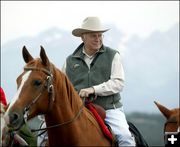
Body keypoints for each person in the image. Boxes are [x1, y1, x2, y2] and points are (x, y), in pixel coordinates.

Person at [62, 17, 136, 146]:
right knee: (45, 135)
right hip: (77, 110)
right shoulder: (69, 61)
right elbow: (63, 88)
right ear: (83, 37)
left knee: (126, 138)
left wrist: (94, 89)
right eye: (93, 36)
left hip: (109, 109)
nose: (98, 39)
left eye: (100, 35)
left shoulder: (113, 55)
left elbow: (118, 83)